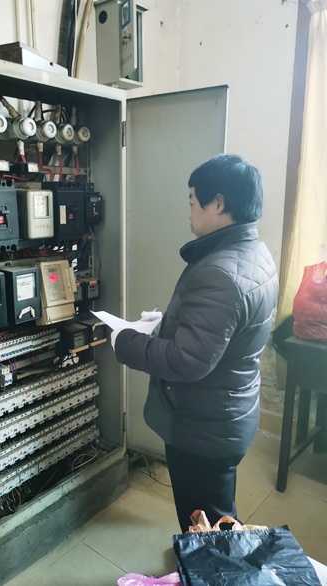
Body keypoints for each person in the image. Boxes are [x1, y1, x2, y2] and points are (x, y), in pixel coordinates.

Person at [111, 154, 279, 533]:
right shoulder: (254, 253)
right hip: (226, 414)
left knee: (205, 526)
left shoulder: (220, 270)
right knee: (219, 514)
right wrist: (166, 324)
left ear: (217, 203)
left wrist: (124, 340)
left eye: (191, 202)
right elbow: (223, 333)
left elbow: (187, 360)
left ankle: (208, 562)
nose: (188, 213)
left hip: (203, 429)